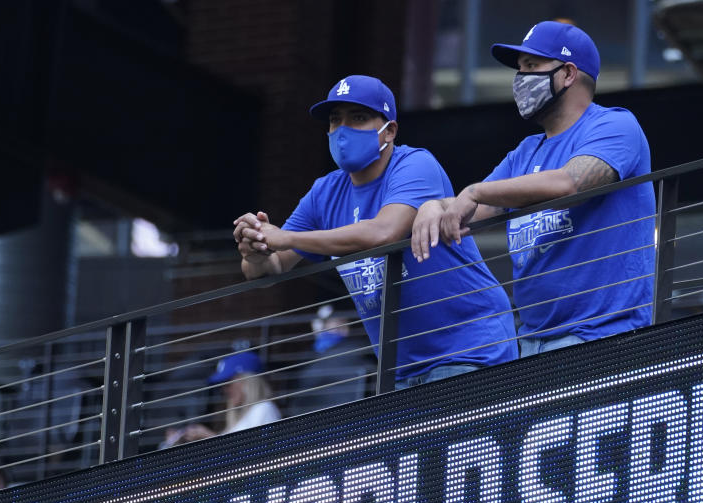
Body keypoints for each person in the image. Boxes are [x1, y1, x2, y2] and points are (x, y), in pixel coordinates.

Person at [234, 75, 517, 388]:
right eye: (334, 120)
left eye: (358, 117)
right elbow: (271, 264)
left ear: (390, 131)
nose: (343, 130)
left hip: (470, 348)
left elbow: (385, 232)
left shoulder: (414, 164)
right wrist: (255, 248)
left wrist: (285, 238)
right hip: (402, 369)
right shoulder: (324, 192)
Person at [410, 21, 656, 357]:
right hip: (531, 342)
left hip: (601, 335)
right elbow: (472, 210)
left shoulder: (614, 124)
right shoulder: (525, 152)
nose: (521, 78)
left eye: (532, 66)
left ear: (568, 74)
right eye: (520, 69)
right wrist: (434, 205)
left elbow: (570, 183)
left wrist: (474, 192)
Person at [161, 351, 280, 446]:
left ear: (248, 382)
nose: (224, 390)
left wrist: (208, 437)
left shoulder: (263, 409)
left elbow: (253, 457)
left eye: (228, 383)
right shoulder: (242, 417)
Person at [288, 305, 375, 416]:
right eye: (334, 321)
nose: (341, 325)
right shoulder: (309, 355)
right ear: (322, 325)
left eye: (342, 321)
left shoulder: (356, 347)